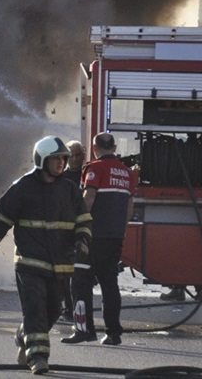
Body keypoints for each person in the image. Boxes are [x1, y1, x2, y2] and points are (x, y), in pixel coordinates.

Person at [0, 136, 93, 375]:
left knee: (53, 311)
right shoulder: (22, 188)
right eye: (56, 159)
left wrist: (83, 238)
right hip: (30, 263)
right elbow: (1, 220)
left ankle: (23, 336)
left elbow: (83, 219)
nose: (61, 163)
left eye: (63, 158)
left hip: (60, 264)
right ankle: (38, 358)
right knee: (35, 308)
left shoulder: (70, 189)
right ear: (42, 160)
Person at [62, 133, 137, 346]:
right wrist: (120, 231)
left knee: (80, 282)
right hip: (114, 237)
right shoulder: (126, 173)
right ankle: (113, 333)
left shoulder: (94, 168)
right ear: (113, 147)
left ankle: (84, 330)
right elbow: (129, 207)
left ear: (94, 149)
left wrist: (77, 227)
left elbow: (89, 198)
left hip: (92, 236)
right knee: (109, 284)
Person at [60, 140, 86, 322]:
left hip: (81, 232)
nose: (76, 160)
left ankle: (74, 311)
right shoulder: (62, 178)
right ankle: (68, 309)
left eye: (79, 155)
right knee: (64, 276)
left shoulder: (89, 175)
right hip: (64, 232)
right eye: (72, 156)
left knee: (79, 276)